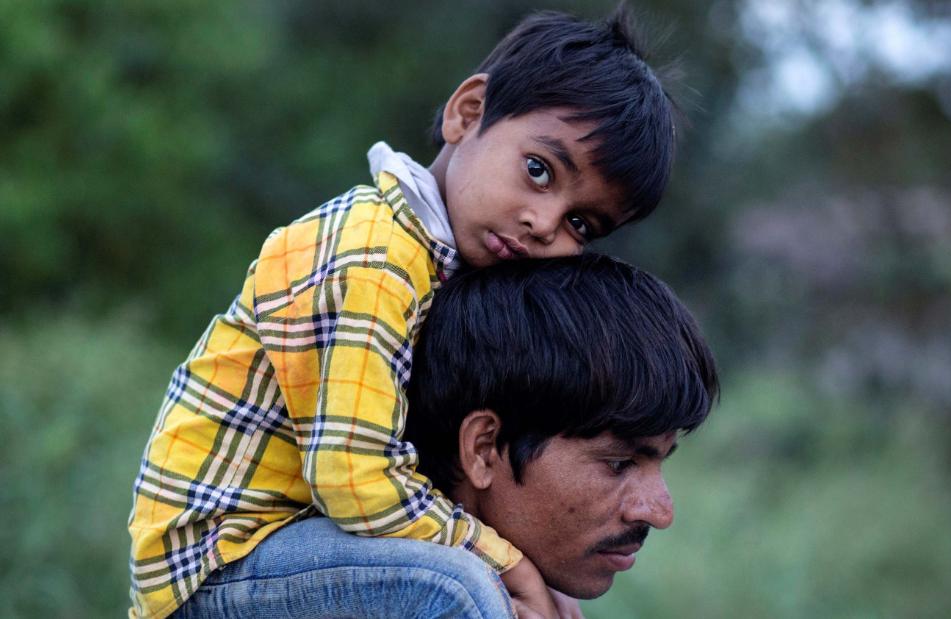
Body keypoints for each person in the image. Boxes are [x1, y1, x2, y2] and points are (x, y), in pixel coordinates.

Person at [127, 7, 679, 619]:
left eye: (581, 223)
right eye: (538, 170)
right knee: (456, 587)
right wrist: (506, 562)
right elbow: (355, 478)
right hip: (220, 560)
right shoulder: (376, 256)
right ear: (467, 112)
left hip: (295, 541)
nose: (543, 223)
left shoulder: (439, 266)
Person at [170, 254, 719, 618]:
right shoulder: (448, 593)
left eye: (661, 463)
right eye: (620, 464)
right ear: (483, 449)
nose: (659, 511)